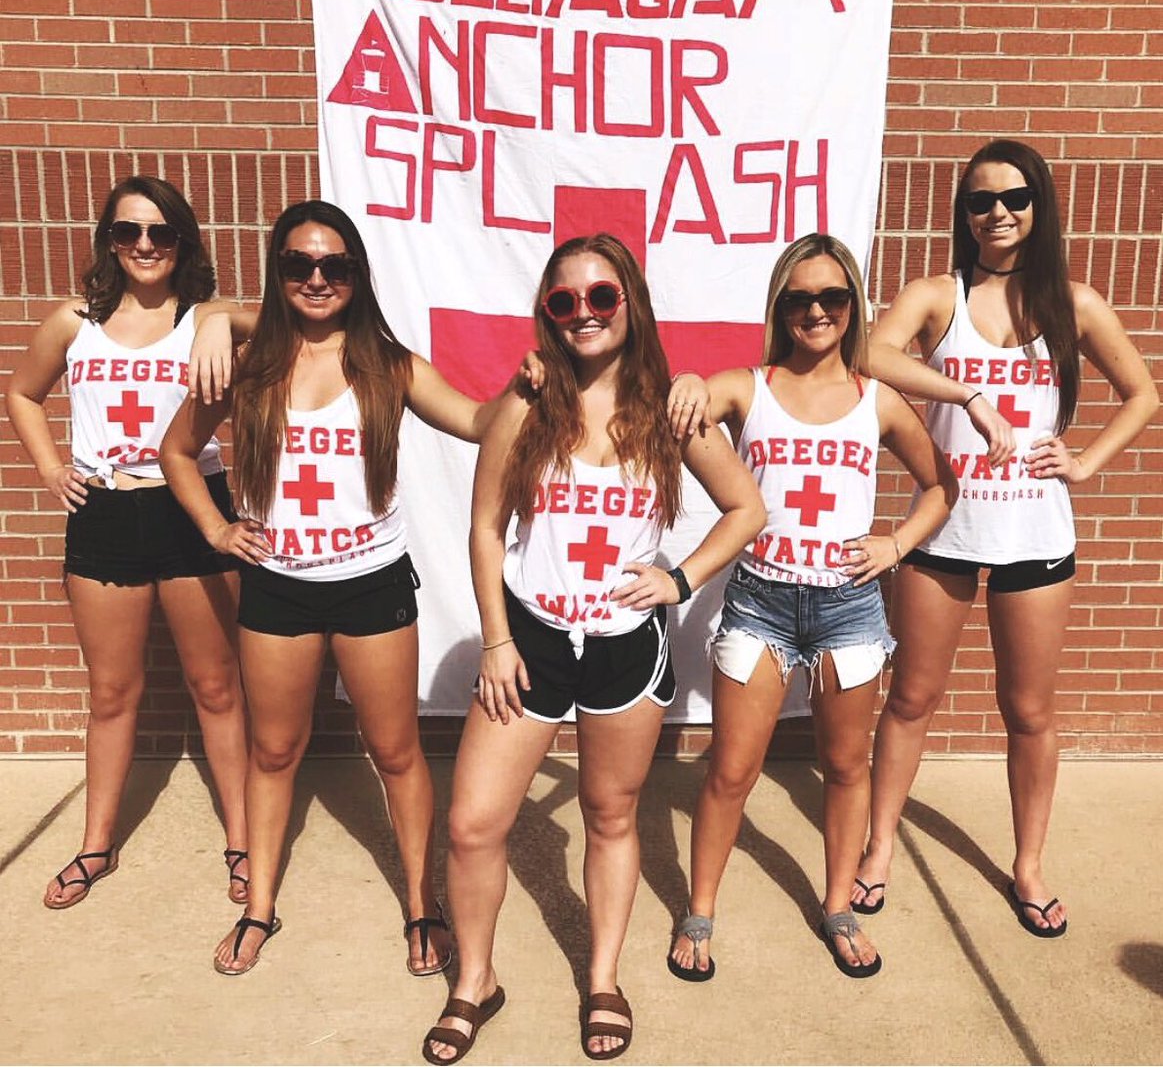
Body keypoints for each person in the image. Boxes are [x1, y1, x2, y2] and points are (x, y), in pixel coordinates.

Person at [421, 233, 765, 1064]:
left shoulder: (669, 411)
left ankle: (603, 978)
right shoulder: (524, 404)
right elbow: (483, 527)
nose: (582, 313)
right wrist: (496, 638)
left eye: (600, 296)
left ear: (630, 304)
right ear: (546, 314)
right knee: (472, 825)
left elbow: (746, 509)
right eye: (563, 301)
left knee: (610, 815)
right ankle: (474, 981)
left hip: (624, 648)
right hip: (532, 637)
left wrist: (677, 582)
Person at [161, 199, 519, 976]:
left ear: (357, 275)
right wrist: (218, 530)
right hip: (279, 590)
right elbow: (177, 452)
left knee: (394, 752)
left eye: (335, 265)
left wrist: (529, 384)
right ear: (278, 272)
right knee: (275, 749)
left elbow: (477, 420)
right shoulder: (248, 368)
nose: (317, 279)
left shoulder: (388, 363)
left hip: (371, 587)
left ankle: (420, 904)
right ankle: (260, 906)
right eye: (299, 264)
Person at [851, 139, 1158, 936]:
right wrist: (967, 393)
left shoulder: (1074, 303)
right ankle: (878, 846)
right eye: (980, 201)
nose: (996, 214)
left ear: (1037, 206)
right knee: (912, 696)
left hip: (1034, 532)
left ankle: (1027, 865)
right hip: (944, 527)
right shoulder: (935, 295)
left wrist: (1086, 461)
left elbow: (1141, 393)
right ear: (963, 212)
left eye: (1013, 198)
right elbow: (869, 353)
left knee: (1027, 711)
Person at [663, 232, 955, 982]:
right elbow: (688, 393)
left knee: (843, 767)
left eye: (831, 296)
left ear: (852, 304)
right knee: (731, 770)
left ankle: (836, 906)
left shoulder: (878, 399)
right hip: (759, 602)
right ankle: (699, 912)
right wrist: (690, 378)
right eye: (798, 298)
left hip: (848, 609)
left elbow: (939, 486)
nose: (815, 310)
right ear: (779, 307)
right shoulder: (748, 386)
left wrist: (894, 545)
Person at [6, 176, 251, 910]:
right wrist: (51, 467)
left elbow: (285, 325)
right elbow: (22, 393)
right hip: (106, 515)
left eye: (161, 232)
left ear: (182, 242)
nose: (144, 245)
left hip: (192, 510)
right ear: (109, 241)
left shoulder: (205, 316)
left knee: (215, 686)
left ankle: (243, 842)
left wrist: (220, 322)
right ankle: (95, 845)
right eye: (128, 232)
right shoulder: (72, 321)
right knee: (112, 693)